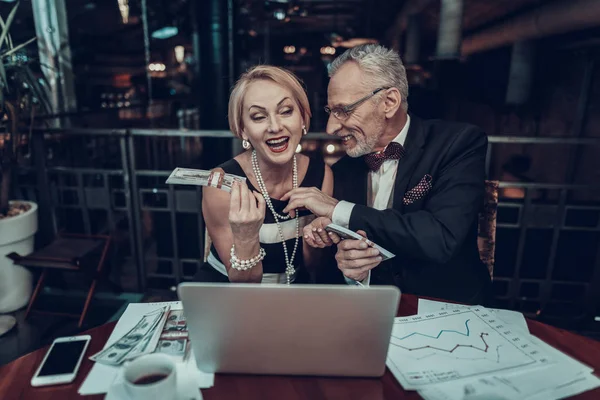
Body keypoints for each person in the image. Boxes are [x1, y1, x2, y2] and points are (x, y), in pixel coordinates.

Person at [281, 44, 491, 304]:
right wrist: (351, 271)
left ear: (389, 102)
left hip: (450, 309)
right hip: (371, 313)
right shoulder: (341, 171)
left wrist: (339, 210)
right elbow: (325, 275)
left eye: (343, 110)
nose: (332, 127)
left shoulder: (457, 143)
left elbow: (440, 237)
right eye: (330, 111)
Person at [197, 65, 333, 284]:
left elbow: (313, 267)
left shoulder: (321, 174)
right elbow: (242, 283)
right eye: (259, 117)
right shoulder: (220, 183)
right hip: (228, 294)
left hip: (293, 293)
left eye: (286, 111)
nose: (275, 126)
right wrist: (246, 236)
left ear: (303, 117)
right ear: (243, 129)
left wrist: (316, 239)